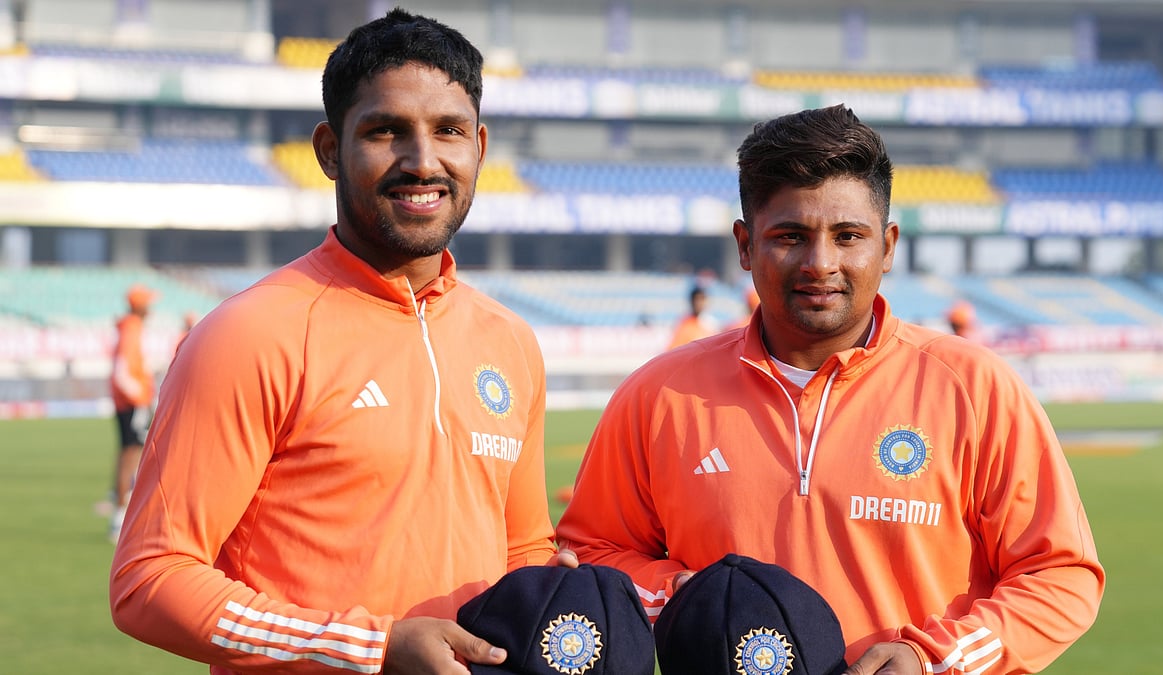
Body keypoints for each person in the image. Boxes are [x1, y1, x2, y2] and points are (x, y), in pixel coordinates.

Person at [556, 104, 1104, 674]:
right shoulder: (659, 394)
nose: (821, 263)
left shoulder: (975, 389)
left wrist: (934, 657)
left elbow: (1060, 574)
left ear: (888, 246)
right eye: (790, 236)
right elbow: (588, 556)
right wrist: (688, 595)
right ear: (745, 246)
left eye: (848, 236)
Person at [110, 9, 572, 674]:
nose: (423, 161)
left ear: (480, 145)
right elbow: (149, 579)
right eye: (387, 132)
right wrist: (374, 646)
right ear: (330, 148)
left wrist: (557, 593)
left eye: (449, 131)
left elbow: (523, 546)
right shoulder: (251, 333)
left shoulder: (510, 340)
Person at [107, 282, 157, 543]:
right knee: (131, 454)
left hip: (129, 402)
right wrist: (140, 397)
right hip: (132, 402)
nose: (152, 307)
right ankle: (119, 516)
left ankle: (121, 512)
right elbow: (122, 371)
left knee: (130, 454)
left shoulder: (130, 327)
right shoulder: (131, 329)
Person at [665, 283, 718, 350]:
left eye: (702, 299)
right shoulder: (684, 323)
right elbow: (674, 348)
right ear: (691, 301)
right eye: (696, 299)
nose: (699, 303)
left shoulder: (711, 324)